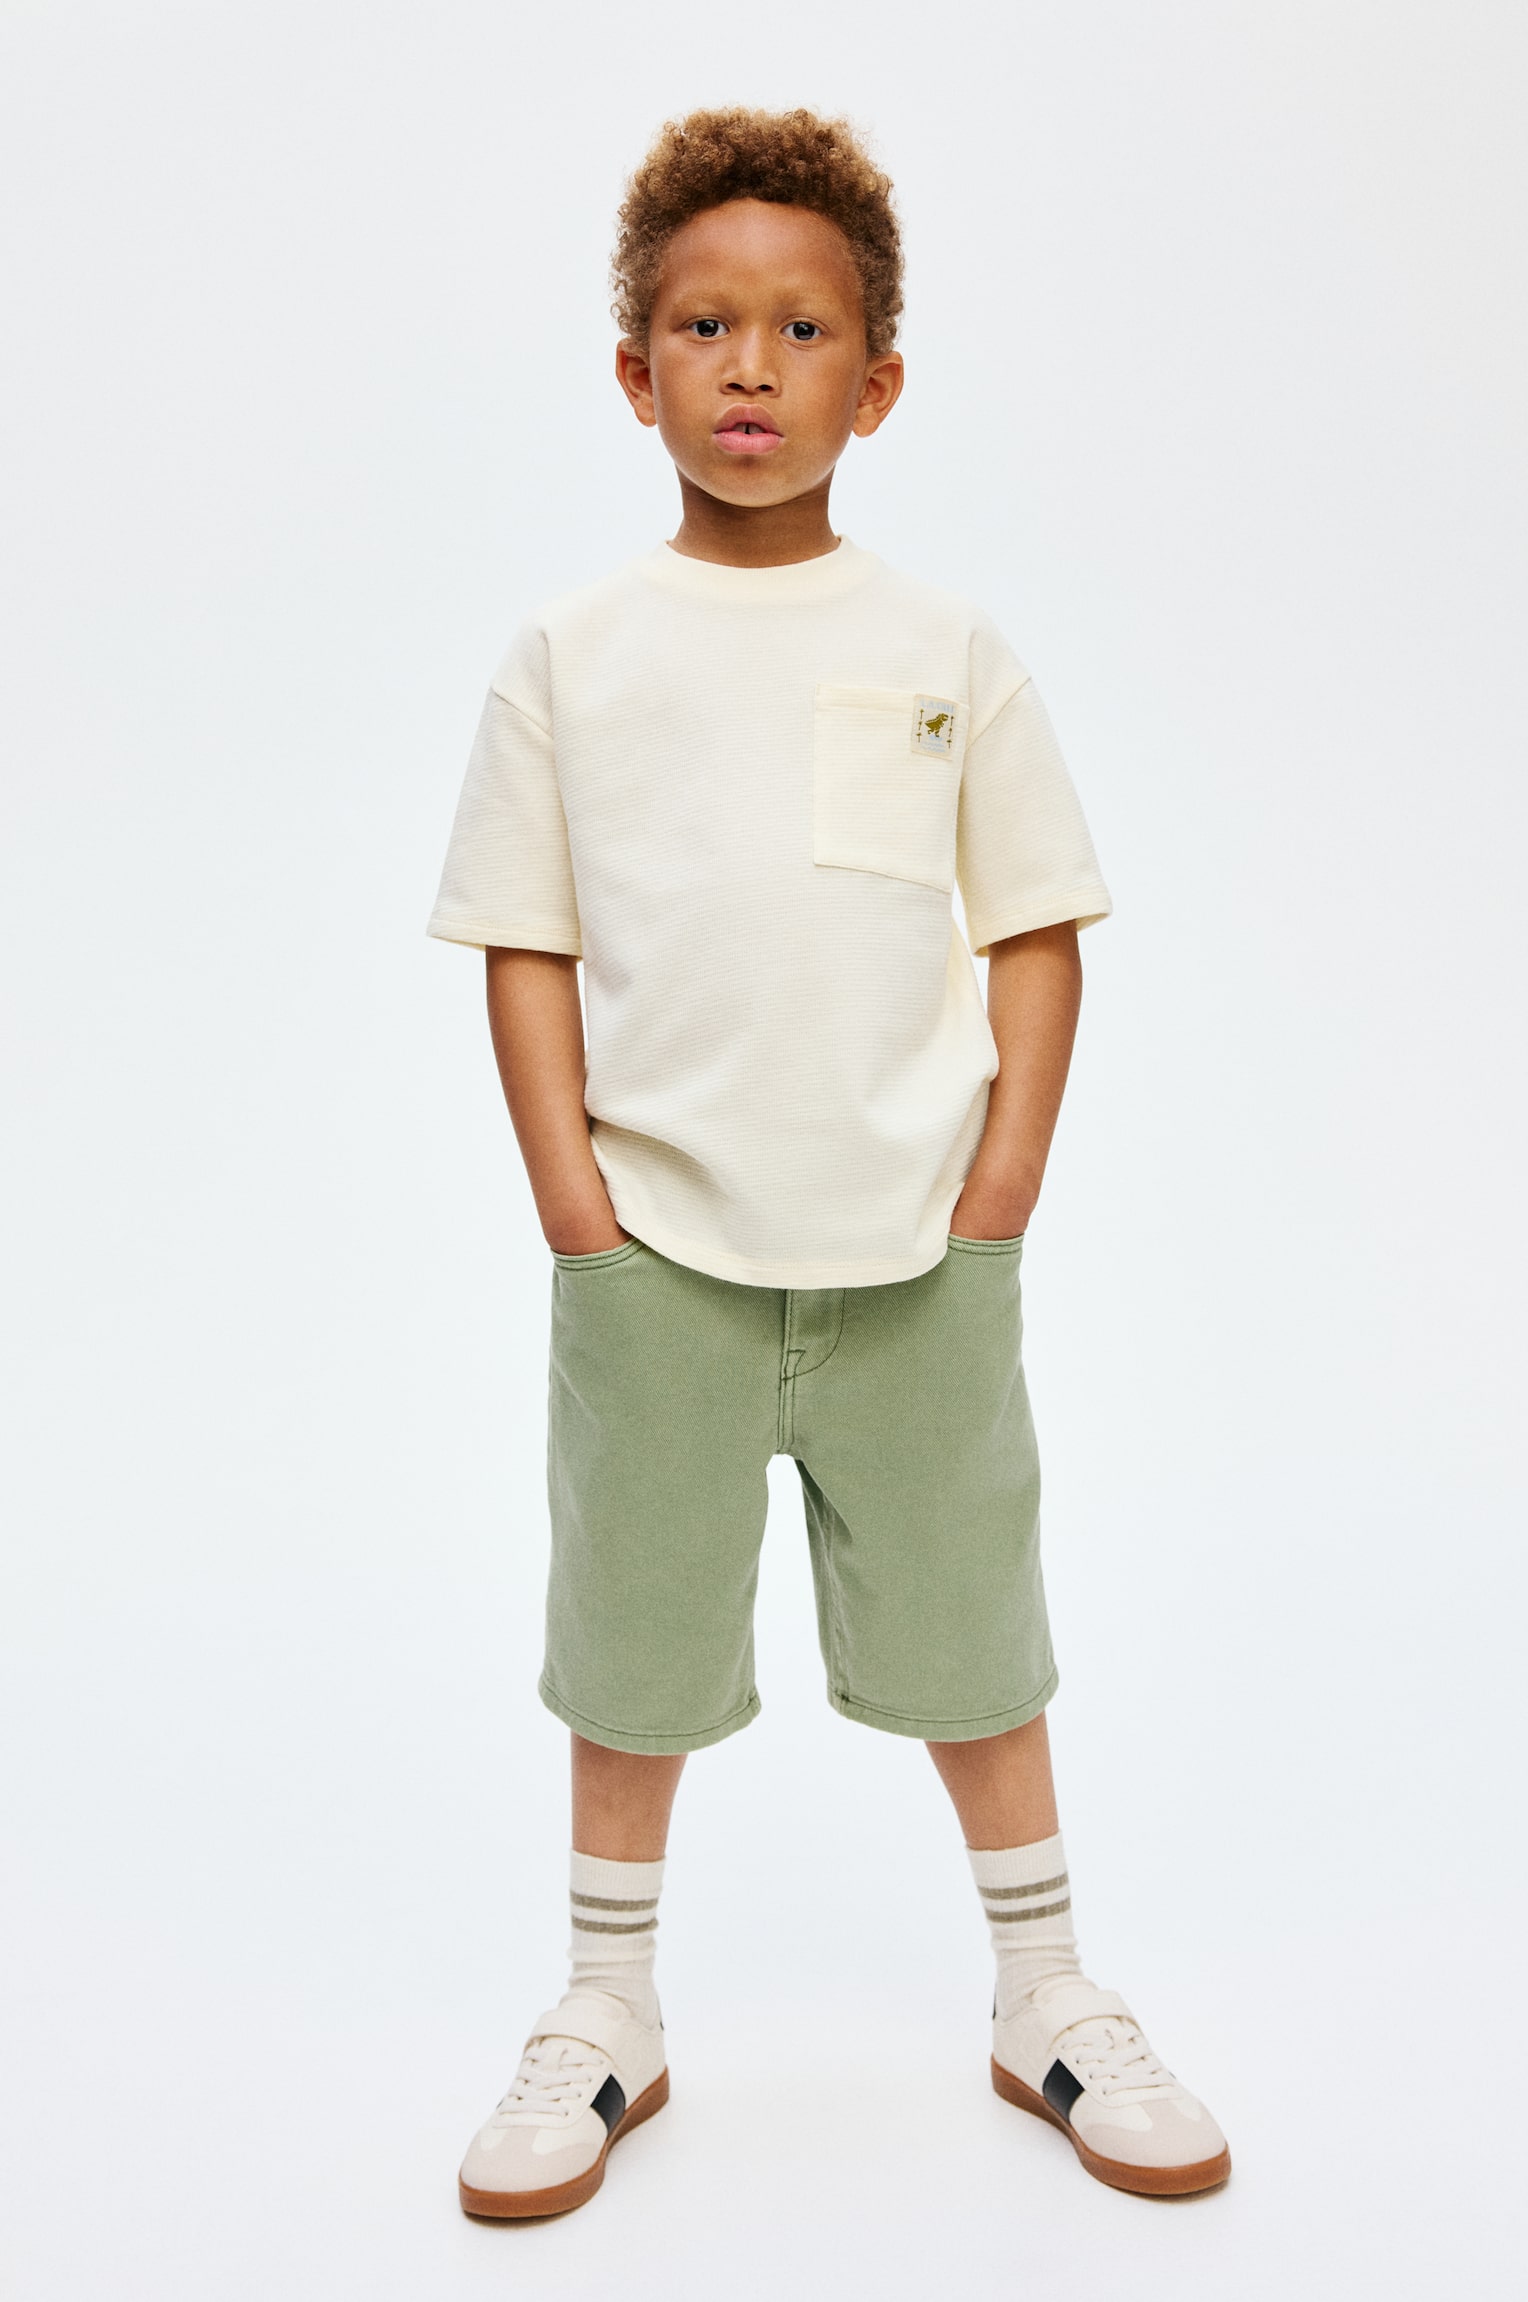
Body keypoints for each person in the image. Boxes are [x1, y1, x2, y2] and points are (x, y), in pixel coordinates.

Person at [428, 106, 1229, 2217]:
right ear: (636, 372)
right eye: (705, 325)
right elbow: (525, 943)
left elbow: (1034, 921)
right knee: (632, 1646)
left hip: (919, 1256)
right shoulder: (572, 653)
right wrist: (577, 1212)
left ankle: (1044, 1984)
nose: (752, 365)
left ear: (877, 384)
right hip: (658, 1260)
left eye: (803, 329)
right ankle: (607, 2006)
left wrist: (1002, 1185)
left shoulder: (945, 644)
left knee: (980, 1627)